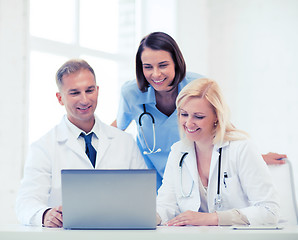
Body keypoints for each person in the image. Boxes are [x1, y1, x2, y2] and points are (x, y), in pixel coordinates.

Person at [112, 31, 286, 190]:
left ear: (176, 62)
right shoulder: (131, 92)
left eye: (163, 65)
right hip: (151, 175)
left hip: (193, 171)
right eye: (148, 67)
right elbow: (115, 131)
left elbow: (223, 126)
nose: (156, 74)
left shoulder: (198, 86)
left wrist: (255, 157)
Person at [15, 59, 147, 228]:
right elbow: (26, 201)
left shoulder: (125, 142)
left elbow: (144, 197)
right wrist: (45, 214)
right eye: (75, 93)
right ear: (60, 98)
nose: (85, 100)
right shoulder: (43, 147)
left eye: (89, 90)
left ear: (97, 91)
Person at [156, 78, 280, 226]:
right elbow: (166, 205)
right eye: (184, 114)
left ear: (216, 116)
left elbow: (269, 210)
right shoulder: (178, 151)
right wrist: (151, 217)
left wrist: (212, 218)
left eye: (198, 116)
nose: (188, 123)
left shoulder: (241, 148)